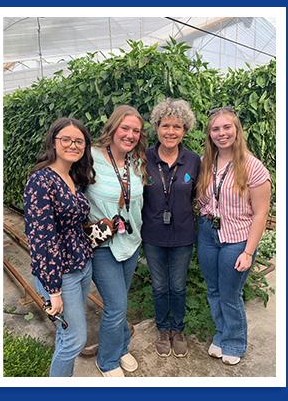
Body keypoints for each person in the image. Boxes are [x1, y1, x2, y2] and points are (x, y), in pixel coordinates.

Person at [196, 107, 271, 365]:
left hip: (237, 238)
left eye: (227, 127)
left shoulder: (253, 167)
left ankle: (235, 342)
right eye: (215, 129)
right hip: (208, 234)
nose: (221, 133)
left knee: (230, 293)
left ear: (237, 130)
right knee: (214, 290)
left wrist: (248, 252)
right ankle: (221, 334)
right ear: (210, 134)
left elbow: (261, 214)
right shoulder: (207, 162)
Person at [23, 117, 95, 377]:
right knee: (75, 339)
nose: (73, 145)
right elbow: (41, 239)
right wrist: (52, 289)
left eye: (79, 141)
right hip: (61, 274)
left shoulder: (73, 177)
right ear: (53, 142)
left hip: (82, 266)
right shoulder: (41, 182)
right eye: (66, 139)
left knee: (67, 337)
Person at [85, 105, 146, 377]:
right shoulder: (89, 159)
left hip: (131, 241)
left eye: (136, 130)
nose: (130, 135)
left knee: (120, 301)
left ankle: (121, 347)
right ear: (113, 127)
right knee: (116, 306)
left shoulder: (137, 161)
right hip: (103, 245)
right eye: (125, 128)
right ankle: (107, 360)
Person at [141, 98, 201, 358]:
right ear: (157, 127)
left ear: (185, 130)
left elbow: (197, 195)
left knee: (177, 286)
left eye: (177, 126)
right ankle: (162, 329)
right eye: (166, 125)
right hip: (153, 234)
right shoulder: (144, 158)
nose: (171, 132)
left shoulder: (193, 161)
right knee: (159, 287)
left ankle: (178, 329)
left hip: (183, 235)